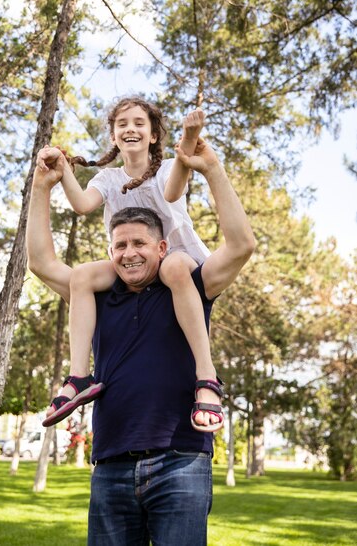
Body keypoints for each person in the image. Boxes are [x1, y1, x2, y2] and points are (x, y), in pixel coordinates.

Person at [26, 135, 255, 546]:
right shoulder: (95, 299)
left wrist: (214, 170)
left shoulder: (188, 285)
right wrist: (42, 188)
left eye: (140, 244)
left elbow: (241, 246)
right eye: (120, 245)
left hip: (181, 461)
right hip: (111, 463)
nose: (129, 253)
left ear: (162, 247)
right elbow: (41, 263)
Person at [36, 98, 224, 432]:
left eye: (139, 123)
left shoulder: (167, 168)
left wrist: (190, 142)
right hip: (131, 261)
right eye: (122, 124)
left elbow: (171, 192)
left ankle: (206, 374)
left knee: (174, 269)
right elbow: (81, 205)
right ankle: (79, 376)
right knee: (81, 275)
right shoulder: (108, 179)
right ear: (113, 136)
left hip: (174, 255)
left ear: (153, 135)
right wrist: (63, 172)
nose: (130, 129)